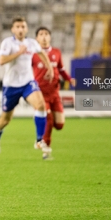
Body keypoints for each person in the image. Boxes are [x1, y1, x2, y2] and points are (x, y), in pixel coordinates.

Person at [0, 16, 53, 159]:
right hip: (11, 86)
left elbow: (41, 53)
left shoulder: (31, 43)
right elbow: (1, 61)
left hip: (27, 83)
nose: (20, 29)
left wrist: (49, 68)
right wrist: (19, 52)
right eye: (17, 27)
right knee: (5, 120)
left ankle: (39, 140)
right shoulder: (8, 43)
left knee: (41, 105)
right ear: (13, 29)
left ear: (26, 29)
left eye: (23, 26)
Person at [32, 27, 75, 159]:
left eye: (46, 34)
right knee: (49, 120)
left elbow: (61, 69)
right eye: (41, 34)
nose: (44, 37)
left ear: (50, 37)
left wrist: (69, 79)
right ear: (36, 38)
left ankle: (41, 133)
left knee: (59, 125)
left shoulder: (56, 52)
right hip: (40, 94)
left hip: (55, 93)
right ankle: (46, 151)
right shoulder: (33, 54)